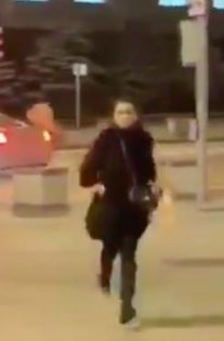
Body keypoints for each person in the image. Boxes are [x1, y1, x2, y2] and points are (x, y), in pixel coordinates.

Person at [80, 99, 157, 327]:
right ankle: (104, 276)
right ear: (114, 116)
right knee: (110, 247)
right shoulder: (106, 139)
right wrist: (95, 185)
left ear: (136, 115)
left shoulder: (143, 140)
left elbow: (148, 169)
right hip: (111, 205)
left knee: (129, 257)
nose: (125, 116)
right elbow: (88, 169)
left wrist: (152, 186)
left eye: (129, 111)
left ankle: (128, 309)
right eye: (120, 112)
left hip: (134, 207)